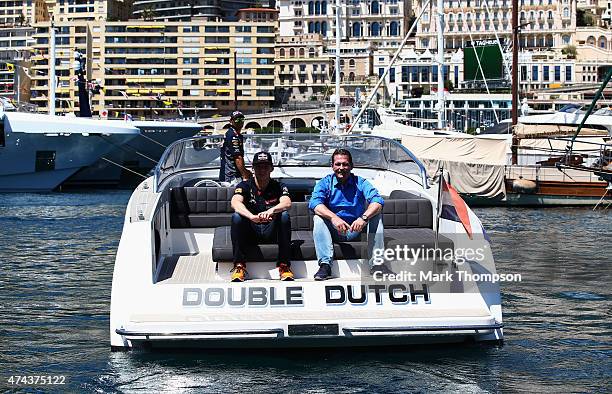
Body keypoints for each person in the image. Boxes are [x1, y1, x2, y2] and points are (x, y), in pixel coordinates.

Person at [308, 148, 391, 280]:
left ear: (351, 166)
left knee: (376, 215)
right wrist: (334, 218)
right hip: (333, 230)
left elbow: (378, 201)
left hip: (356, 229)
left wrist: (363, 218)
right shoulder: (325, 182)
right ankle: (325, 265)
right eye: (338, 164)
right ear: (332, 166)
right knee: (318, 218)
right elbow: (314, 203)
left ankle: (377, 265)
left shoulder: (361, 182)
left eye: (345, 164)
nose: (341, 168)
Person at [230, 151, 293, 282]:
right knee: (236, 217)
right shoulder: (245, 185)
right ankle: (239, 266)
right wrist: (251, 216)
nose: (262, 170)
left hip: (271, 231)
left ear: (271, 168)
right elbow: (235, 202)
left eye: (265, 166)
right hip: (251, 231)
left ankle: (284, 266)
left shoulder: (279, 186)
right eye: (258, 166)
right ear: (252, 168)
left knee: (284, 216)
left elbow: (287, 203)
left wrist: (272, 211)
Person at [219, 110, 251, 185]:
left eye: (241, 119)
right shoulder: (232, 135)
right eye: (237, 120)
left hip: (232, 174)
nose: (240, 122)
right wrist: (245, 174)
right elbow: (238, 158)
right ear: (231, 121)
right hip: (231, 176)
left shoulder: (236, 134)